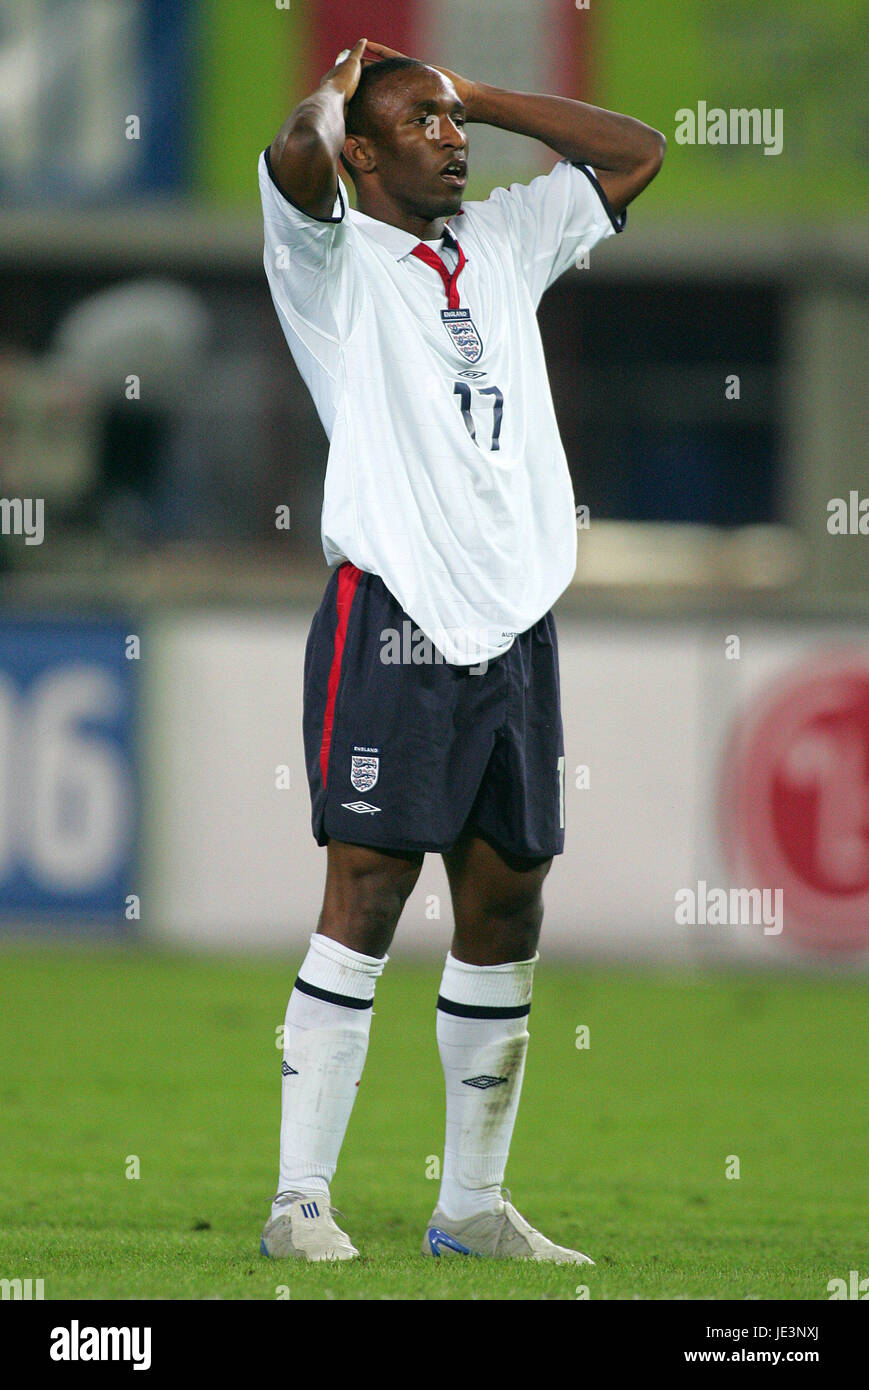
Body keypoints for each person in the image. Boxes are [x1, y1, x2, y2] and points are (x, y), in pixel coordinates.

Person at [258, 37, 664, 1263]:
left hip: (514, 621)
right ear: (363, 152)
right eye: (423, 124)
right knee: (368, 890)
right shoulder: (328, 259)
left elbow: (638, 151)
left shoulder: (502, 237)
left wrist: (472, 90)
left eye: (458, 124)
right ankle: (300, 1200)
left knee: (506, 899)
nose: (453, 140)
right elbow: (289, 155)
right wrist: (342, 87)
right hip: (395, 612)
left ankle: (471, 1205)